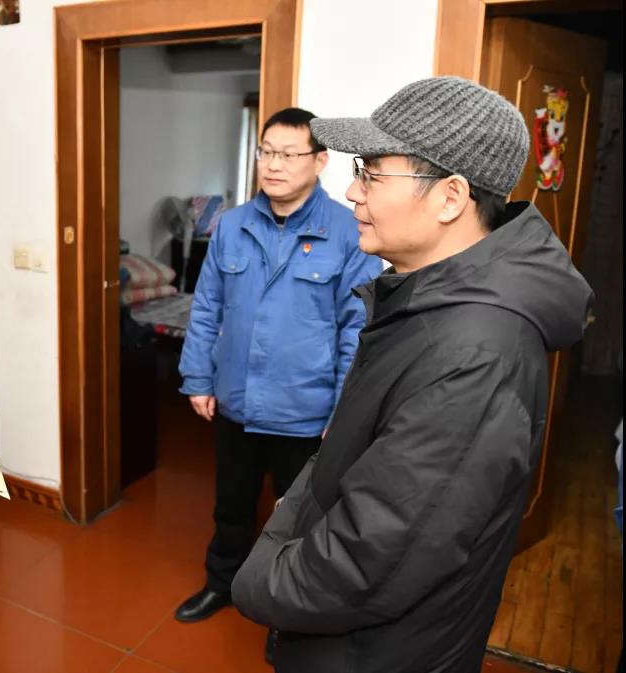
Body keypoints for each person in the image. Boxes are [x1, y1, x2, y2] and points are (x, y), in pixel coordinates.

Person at [231, 76, 594, 673]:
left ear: (450, 198)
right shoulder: (424, 299)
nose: (352, 192)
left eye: (372, 174)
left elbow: (372, 562)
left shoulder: (474, 357)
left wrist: (260, 578)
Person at [176, 107, 382, 662]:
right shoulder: (232, 225)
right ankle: (221, 583)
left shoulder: (349, 230)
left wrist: (343, 412)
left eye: (289, 154)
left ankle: (285, 616)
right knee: (231, 507)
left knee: (299, 523)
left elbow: (356, 332)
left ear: (320, 161)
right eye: (267, 151)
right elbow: (207, 307)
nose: (274, 164)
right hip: (237, 401)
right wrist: (197, 376)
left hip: (307, 409)